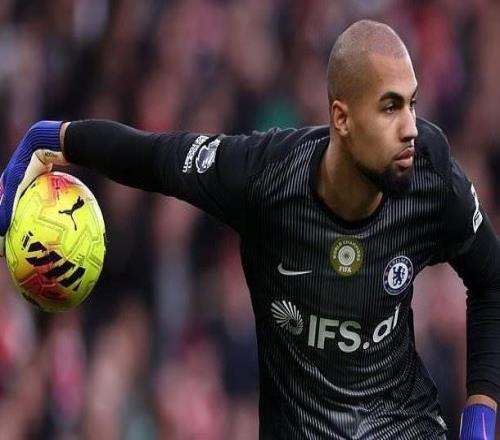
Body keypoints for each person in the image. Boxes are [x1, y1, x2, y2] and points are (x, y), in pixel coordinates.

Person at [0, 19, 499, 439]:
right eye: (390, 107)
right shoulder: (264, 177)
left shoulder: (429, 171)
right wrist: (53, 138)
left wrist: (481, 410)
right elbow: (155, 158)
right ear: (342, 118)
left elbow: (491, 280)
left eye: (413, 103)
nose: (410, 126)